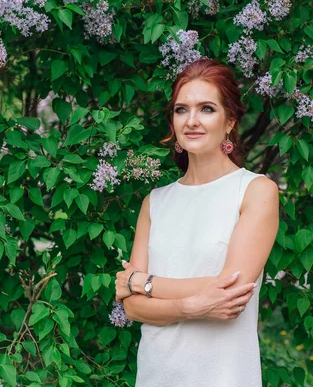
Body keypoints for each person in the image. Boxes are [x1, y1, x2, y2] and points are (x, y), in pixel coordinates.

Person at [114, 58, 280, 387]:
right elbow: (132, 309)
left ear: (230, 120)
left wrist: (143, 283)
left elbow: (232, 291)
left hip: (224, 376)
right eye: (181, 110)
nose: (192, 121)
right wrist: (191, 306)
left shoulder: (255, 191)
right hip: (156, 374)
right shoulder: (155, 202)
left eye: (206, 109)